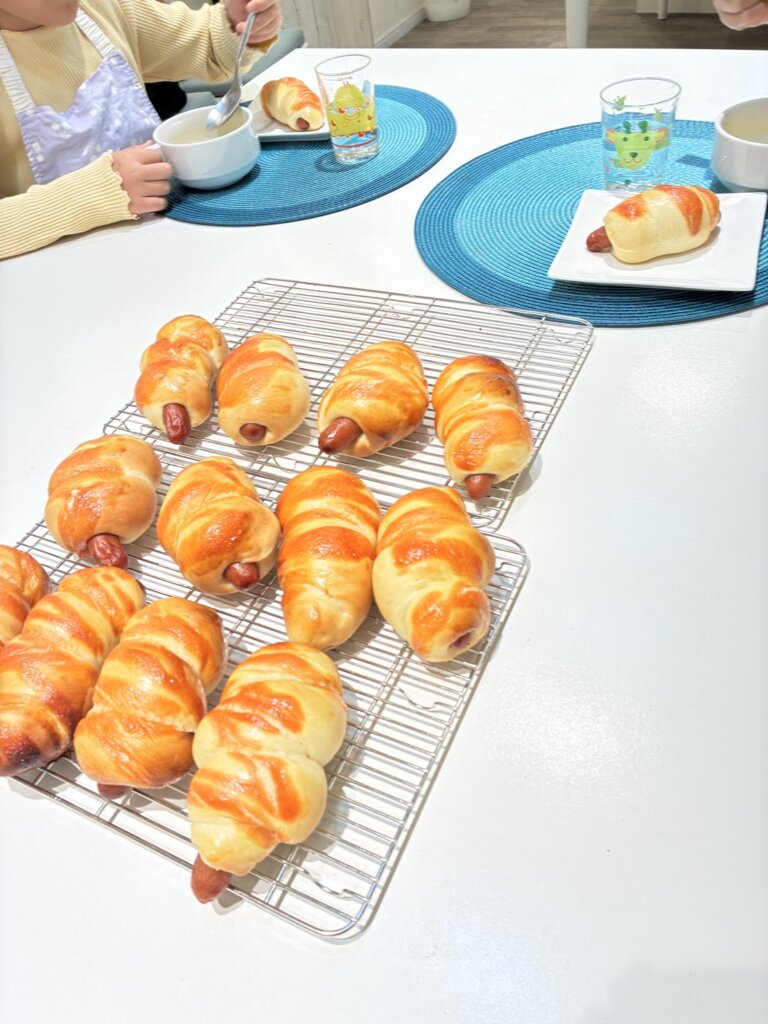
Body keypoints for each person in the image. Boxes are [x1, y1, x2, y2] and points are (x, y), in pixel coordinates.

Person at [0, 0, 281, 260]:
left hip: (165, 242)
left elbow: (208, 45)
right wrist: (98, 192)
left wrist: (241, 23)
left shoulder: (101, 8)